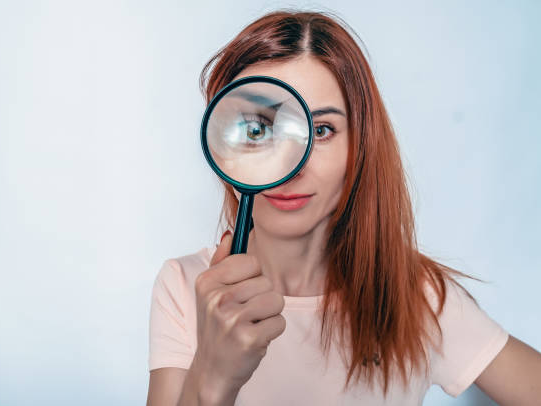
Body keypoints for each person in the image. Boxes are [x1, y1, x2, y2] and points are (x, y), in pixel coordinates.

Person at [146, 9, 541, 406]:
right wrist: (213, 378)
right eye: (258, 128)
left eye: (321, 130)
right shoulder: (185, 285)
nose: (289, 169)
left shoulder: (415, 296)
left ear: (359, 146)